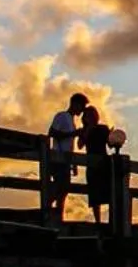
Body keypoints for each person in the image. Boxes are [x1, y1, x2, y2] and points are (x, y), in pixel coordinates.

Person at [44, 92, 88, 221]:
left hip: (65, 161)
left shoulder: (71, 121)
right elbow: (52, 132)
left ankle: (58, 216)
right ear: (75, 104)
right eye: (82, 106)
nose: (82, 110)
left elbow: (70, 144)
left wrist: (73, 164)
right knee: (60, 188)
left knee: (63, 190)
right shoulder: (62, 116)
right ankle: (48, 211)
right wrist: (74, 133)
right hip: (58, 158)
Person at [80, 104, 113, 225]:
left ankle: (111, 220)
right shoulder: (84, 130)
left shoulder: (103, 128)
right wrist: (88, 130)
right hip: (91, 165)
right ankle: (97, 221)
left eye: (92, 115)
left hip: (103, 164)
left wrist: (111, 135)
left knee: (108, 191)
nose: (90, 118)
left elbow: (109, 145)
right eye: (87, 116)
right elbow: (80, 145)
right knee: (94, 195)